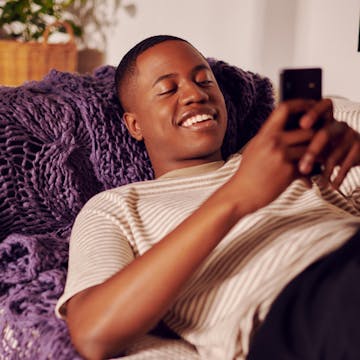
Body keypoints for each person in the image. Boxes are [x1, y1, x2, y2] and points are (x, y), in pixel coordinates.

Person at [55, 35, 360, 360]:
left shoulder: (279, 153)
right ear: (134, 124)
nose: (195, 94)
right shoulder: (117, 207)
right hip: (301, 306)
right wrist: (239, 196)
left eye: (205, 82)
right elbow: (93, 333)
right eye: (168, 89)